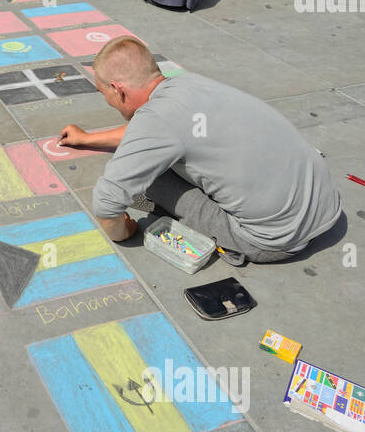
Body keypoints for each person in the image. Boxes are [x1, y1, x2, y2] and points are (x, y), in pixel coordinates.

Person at [58, 36, 342, 264]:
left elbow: (107, 203)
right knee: (168, 155)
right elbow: (152, 133)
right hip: (325, 208)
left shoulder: (156, 120)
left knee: (147, 185)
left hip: (272, 240)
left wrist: (123, 231)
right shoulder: (189, 84)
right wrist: (87, 139)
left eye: (103, 93)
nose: (106, 100)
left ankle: (193, 222)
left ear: (118, 89)